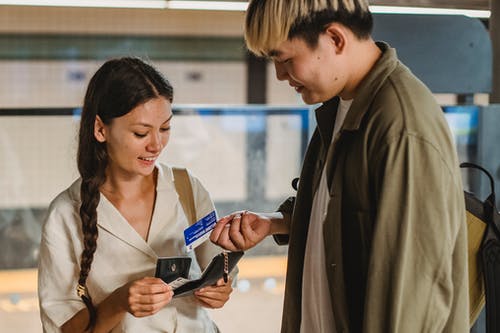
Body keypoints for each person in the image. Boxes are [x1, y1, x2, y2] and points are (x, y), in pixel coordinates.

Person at [210, 0, 469, 332]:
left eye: (286, 59)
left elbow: (411, 296)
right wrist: (276, 223)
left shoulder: (400, 127)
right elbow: (344, 212)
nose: (280, 75)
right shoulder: (341, 107)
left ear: (335, 39)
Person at [38, 57, 232, 333]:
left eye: (165, 128)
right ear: (100, 129)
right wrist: (118, 302)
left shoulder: (187, 187)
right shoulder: (65, 215)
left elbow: (218, 268)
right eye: (141, 133)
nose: (156, 145)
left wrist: (221, 289)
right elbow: (63, 327)